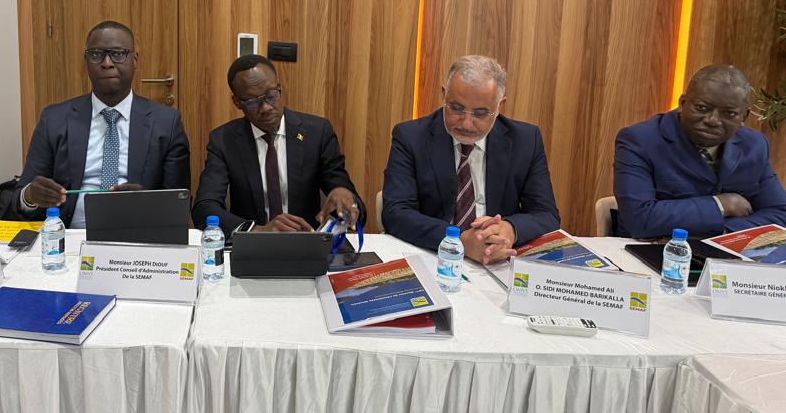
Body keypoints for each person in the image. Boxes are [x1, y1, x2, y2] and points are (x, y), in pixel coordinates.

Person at [382, 55, 560, 263]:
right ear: (444, 95)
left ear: (499, 106)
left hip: (498, 259)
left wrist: (510, 229)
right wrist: (459, 241)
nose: (466, 123)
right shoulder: (411, 137)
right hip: (434, 256)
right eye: (456, 108)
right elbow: (395, 213)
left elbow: (546, 214)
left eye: (480, 113)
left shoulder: (526, 141)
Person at [14, 21, 190, 225]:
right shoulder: (54, 119)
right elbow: (21, 198)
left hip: (139, 234)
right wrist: (31, 196)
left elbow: (179, 205)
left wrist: (144, 203)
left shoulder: (166, 123)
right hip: (68, 234)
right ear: (86, 61)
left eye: (118, 53)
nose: (107, 63)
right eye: (96, 54)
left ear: (134, 60)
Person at [193, 54, 365, 236]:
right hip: (253, 246)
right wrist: (257, 230)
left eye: (271, 95)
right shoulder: (223, 141)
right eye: (252, 102)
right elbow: (204, 208)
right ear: (237, 102)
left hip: (306, 243)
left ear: (279, 87)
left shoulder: (317, 133)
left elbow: (356, 207)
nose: (266, 107)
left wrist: (345, 198)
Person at [614, 64, 786, 238]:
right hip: (650, 248)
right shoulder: (640, 140)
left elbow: (780, 214)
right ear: (682, 103)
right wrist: (720, 205)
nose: (713, 120)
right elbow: (640, 219)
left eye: (729, 113)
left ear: (744, 117)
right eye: (702, 108)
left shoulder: (754, 145)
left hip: (724, 251)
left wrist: (721, 233)